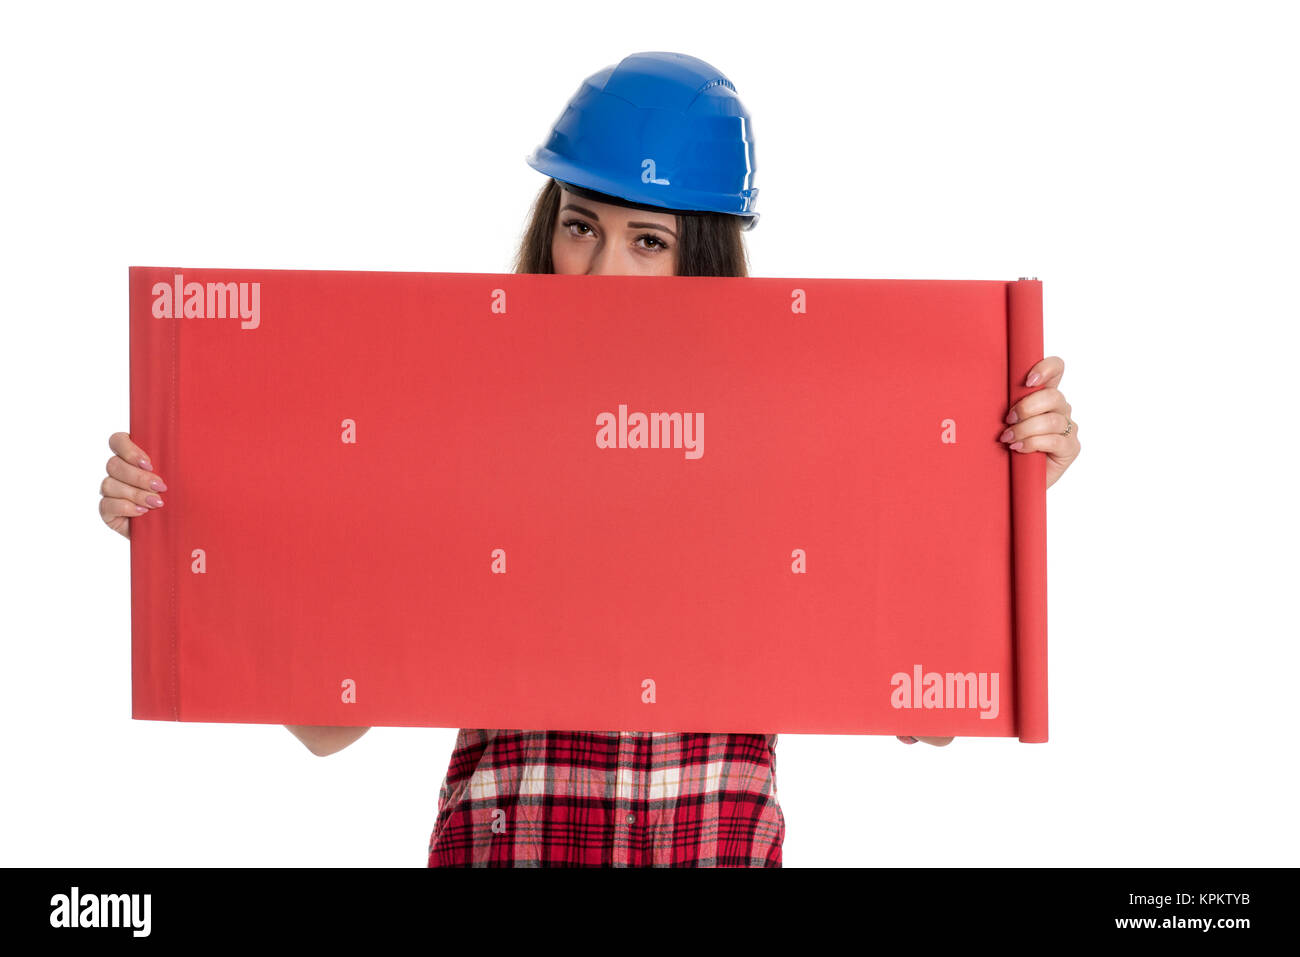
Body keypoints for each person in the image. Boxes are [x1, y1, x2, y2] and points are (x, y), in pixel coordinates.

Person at [98, 51, 1082, 866]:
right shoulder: (462, 426)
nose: (602, 271)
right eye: (579, 227)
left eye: (645, 240)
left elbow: (926, 714)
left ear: (700, 260)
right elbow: (326, 726)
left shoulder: (786, 435)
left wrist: (997, 495)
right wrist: (194, 516)